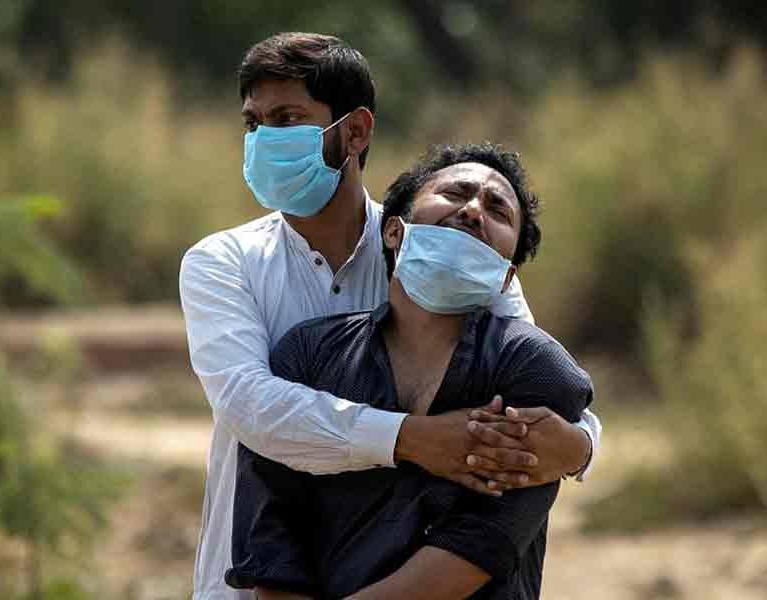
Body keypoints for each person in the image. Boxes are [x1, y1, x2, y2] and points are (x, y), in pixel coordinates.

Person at [179, 32, 602, 600]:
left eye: (287, 118)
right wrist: (415, 438)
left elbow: (540, 382)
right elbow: (250, 407)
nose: (263, 140)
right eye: (254, 123)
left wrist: (580, 447)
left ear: (355, 131)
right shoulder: (222, 263)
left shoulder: (444, 251)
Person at [226, 143, 593, 600]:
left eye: (498, 210)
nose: (475, 210)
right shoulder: (309, 355)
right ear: (395, 232)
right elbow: (273, 538)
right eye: (457, 193)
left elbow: (482, 544)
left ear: (506, 277)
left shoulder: (531, 368)